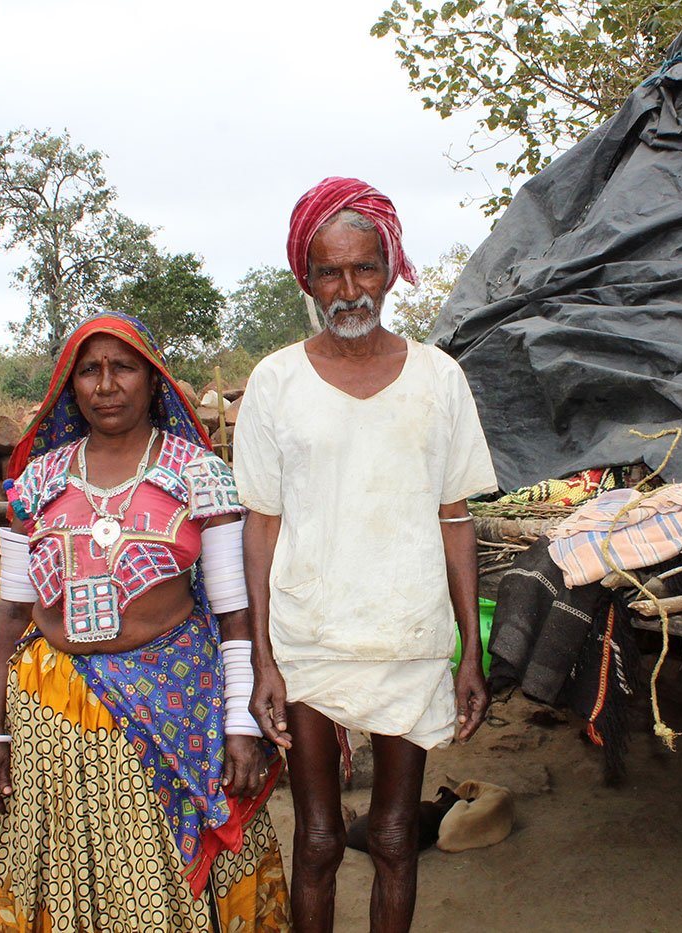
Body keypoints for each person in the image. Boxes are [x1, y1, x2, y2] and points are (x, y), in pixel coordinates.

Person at [234, 177, 498, 932]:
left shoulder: (439, 378)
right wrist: (263, 662)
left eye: (365, 268)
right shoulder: (276, 382)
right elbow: (261, 526)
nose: (350, 289)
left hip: (409, 639)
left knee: (391, 836)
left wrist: (466, 651)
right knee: (317, 838)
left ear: (390, 266)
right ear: (307, 279)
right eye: (329, 272)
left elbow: (455, 518)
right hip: (310, 639)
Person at [0, 311, 291, 931]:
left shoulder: (199, 473)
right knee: (65, 876)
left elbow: (233, 612)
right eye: (89, 370)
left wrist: (237, 723)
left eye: (122, 367)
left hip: (175, 700)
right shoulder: (36, 480)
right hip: (51, 718)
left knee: (157, 883)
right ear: (72, 388)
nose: (106, 384)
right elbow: (11, 614)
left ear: (152, 380)